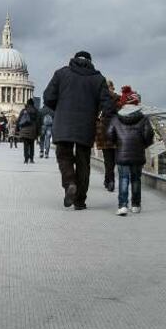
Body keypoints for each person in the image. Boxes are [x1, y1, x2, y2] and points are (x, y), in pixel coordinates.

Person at [43, 51, 114, 210]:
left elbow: (48, 97)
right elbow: (108, 106)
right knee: (83, 162)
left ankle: (70, 183)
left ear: (74, 59)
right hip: (86, 125)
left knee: (64, 156)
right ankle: (80, 201)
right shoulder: (98, 79)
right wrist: (97, 115)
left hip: (64, 123)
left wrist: (60, 109)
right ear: (90, 62)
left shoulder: (61, 73)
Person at [108, 87, 153, 216]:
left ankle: (123, 206)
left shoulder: (116, 118)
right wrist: (143, 145)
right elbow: (149, 135)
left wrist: (117, 144)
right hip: (138, 153)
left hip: (122, 153)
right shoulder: (143, 118)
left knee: (123, 178)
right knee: (136, 179)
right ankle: (136, 205)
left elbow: (109, 134)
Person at [95, 80, 120, 192]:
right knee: (112, 158)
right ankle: (109, 179)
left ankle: (109, 180)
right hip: (116, 131)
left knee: (108, 158)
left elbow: (96, 115)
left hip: (104, 132)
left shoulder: (99, 100)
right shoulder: (118, 99)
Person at [15, 98, 39, 164]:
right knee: (32, 145)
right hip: (33, 130)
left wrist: (17, 129)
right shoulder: (36, 111)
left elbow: (19, 120)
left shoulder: (23, 110)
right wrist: (38, 132)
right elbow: (38, 122)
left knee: (25, 145)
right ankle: (31, 159)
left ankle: (26, 159)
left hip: (24, 129)